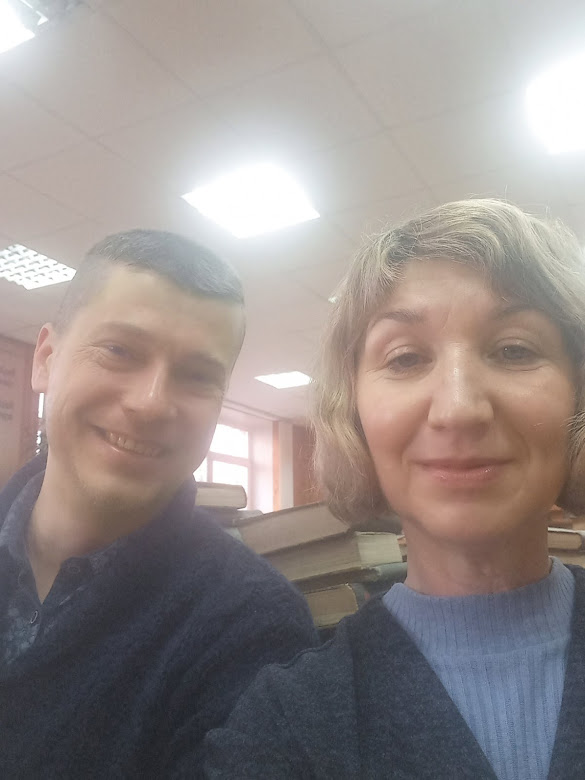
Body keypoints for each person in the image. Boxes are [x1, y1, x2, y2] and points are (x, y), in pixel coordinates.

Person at [205, 199, 585, 779]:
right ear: (353, 414)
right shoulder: (283, 725)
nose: (458, 409)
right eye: (405, 359)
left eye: (514, 350)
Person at [0, 229, 317, 778]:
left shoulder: (252, 628)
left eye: (197, 376)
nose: (150, 404)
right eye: (119, 351)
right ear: (46, 358)